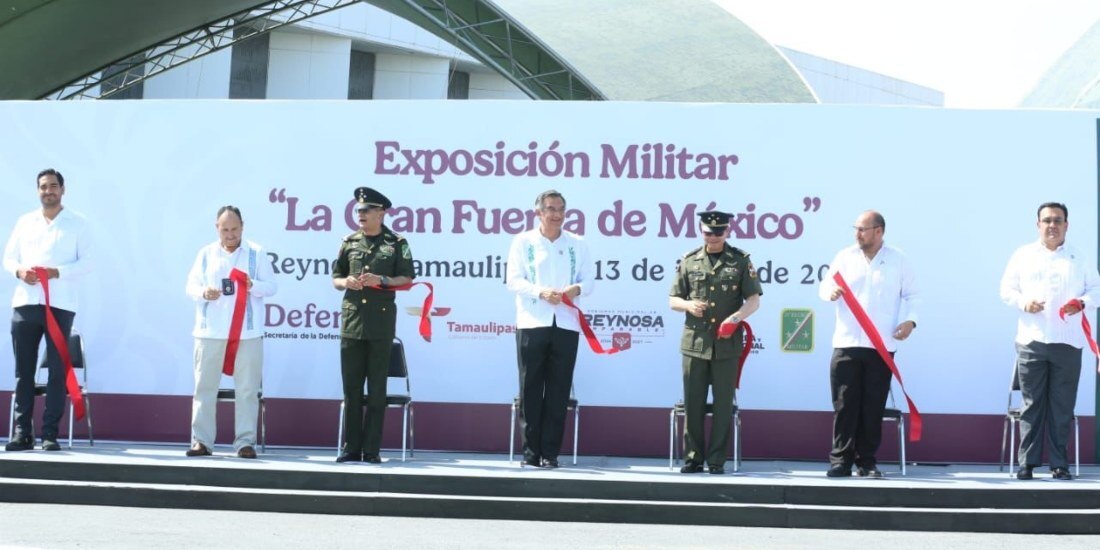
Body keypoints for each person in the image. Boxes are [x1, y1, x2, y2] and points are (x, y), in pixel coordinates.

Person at [1000, 202, 1100, 481]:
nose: (1052, 225)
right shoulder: (1023, 255)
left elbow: (1097, 290)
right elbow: (1006, 289)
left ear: (1067, 225)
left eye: (1058, 220)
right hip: (1031, 341)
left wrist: (1082, 302)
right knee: (1032, 405)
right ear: (1038, 225)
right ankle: (1027, 464)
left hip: (1068, 343)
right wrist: (1024, 302)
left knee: (1062, 406)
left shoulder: (1079, 257)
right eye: (1047, 220)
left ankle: (1059, 464)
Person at [818, 210, 919, 478]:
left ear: (879, 231)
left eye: (862, 229)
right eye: (856, 229)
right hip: (847, 342)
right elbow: (824, 285)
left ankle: (867, 462)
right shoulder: (845, 256)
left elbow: (913, 296)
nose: (857, 234)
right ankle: (840, 461)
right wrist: (830, 292)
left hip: (881, 345)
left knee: (873, 406)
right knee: (844, 405)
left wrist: (910, 321)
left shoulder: (898, 260)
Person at [3, 168, 93, 452]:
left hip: (59, 306)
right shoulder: (25, 221)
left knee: (56, 371)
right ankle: (22, 433)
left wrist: (56, 272)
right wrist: (20, 271)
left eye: (53, 186)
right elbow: (8, 258)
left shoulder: (78, 223)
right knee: (24, 372)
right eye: (43, 187)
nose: (48, 191)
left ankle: (50, 434)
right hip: (25, 304)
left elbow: (87, 263)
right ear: (37, 190)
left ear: (63, 190)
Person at [668, 211, 762, 475]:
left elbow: (754, 300)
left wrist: (735, 318)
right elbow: (673, 300)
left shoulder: (741, 260)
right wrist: (688, 305)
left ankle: (717, 460)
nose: (713, 237)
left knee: (723, 406)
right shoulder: (689, 260)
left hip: (726, 343)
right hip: (695, 343)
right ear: (701, 231)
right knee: (693, 403)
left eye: (718, 232)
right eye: (708, 232)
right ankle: (693, 458)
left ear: (727, 231)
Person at [506, 190, 593, 469]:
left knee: (558, 390)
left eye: (561, 209)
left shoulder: (577, 243)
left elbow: (589, 281)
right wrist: (541, 292)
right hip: (533, 322)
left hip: (566, 323)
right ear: (539, 212)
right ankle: (531, 453)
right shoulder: (523, 241)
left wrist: (575, 289)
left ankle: (550, 453)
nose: (557, 215)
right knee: (530, 388)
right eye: (551, 209)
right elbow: (513, 280)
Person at [184, 206, 277, 458]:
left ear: (242, 226)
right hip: (209, 332)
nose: (230, 234)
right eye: (225, 229)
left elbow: (271, 287)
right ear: (217, 228)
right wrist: (204, 292)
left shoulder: (256, 253)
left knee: (247, 390)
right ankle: (201, 441)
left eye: (234, 229)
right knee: (204, 388)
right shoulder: (205, 253)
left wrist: (252, 284)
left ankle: (245, 443)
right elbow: (190, 286)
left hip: (247, 333)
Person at [333, 186, 415, 464]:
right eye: (358, 210)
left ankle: (371, 449)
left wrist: (381, 280)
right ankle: (351, 447)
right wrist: (347, 282)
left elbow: (407, 278)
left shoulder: (396, 242)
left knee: (377, 389)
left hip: (380, 324)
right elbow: (336, 278)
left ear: (381, 213)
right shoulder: (349, 242)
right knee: (351, 389)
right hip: (352, 321)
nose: (361, 214)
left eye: (366, 210)